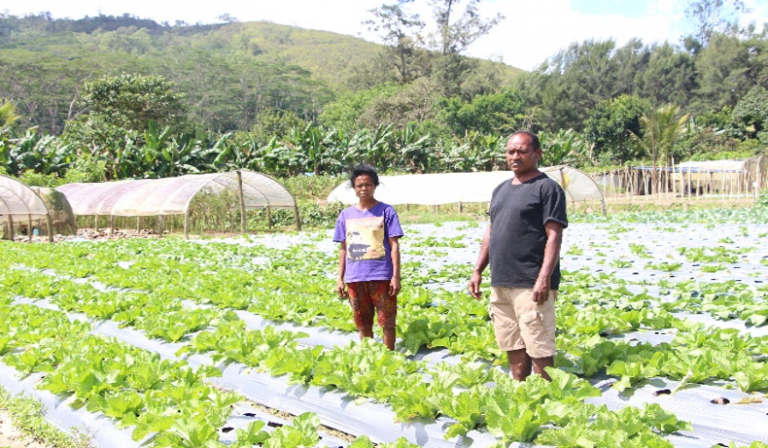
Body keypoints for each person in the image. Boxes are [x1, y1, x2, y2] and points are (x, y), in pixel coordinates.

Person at [468, 131, 567, 381]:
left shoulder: (547, 188)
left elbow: (554, 236)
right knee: (511, 342)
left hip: (531, 281)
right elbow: (491, 231)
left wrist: (544, 278)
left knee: (538, 343)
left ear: (537, 154)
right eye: (511, 151)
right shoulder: (500, 189)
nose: (515, 156)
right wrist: (478, 270)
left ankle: (544, 398)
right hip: (501, 280)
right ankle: (520, 391)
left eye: (522, 151)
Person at [334, 164, 404, 350]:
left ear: (374, 186)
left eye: (368, 184)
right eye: (359, 185)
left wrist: (395, 276)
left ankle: (388, 357)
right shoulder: (345, 215)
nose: (363, 188)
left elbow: (394, 245)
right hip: (355, 277)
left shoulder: (386, 211)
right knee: (362, 321)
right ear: (354, 188)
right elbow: (343, 247)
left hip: (381, 275)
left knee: (387, 320)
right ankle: (369, 356)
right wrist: (340, 278)